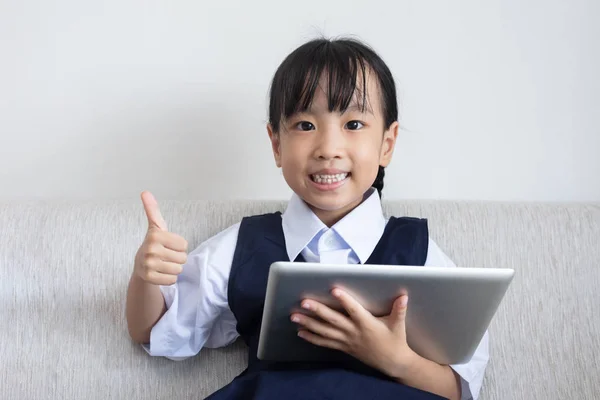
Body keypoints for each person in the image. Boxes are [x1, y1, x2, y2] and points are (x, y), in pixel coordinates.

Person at [126, 37, 489, 400]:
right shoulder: (247, 244)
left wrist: (396, 360)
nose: (328, 149)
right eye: (304, 125)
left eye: (354, 123)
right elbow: (155, 329)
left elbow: (460, 389)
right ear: (276, 144)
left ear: (387, 144)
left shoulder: (417, 252)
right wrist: (146, 276)